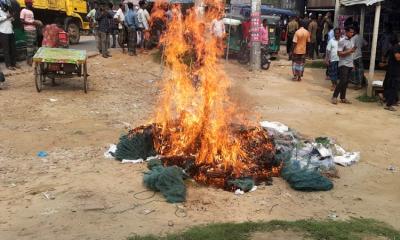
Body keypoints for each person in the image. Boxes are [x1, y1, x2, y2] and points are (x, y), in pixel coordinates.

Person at [331, 26, 356, 105]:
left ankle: (343, 97)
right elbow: (339, 53)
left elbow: (352, 53)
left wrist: (353, 64)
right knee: (343, 80)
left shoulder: (352, 40)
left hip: (350, 64)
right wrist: (349, 51)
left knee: (346, 82)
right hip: (343, 63)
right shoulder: (342, 41)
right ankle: (334, 96)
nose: (352, 34)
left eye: (353, 32)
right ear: (346, 32)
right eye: (350, 32)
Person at [382, 36, 400, 111]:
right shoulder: (396, 47)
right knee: (393, 87)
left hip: (396, 70)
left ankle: (392, 101)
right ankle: (388, 104)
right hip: (394, 71)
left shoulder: (396, 47)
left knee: (394, 87)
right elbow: (397, 57)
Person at [0, 1, 18, 70]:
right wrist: (6, 16)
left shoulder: (7, 11)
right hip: (3, 32)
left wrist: (12, 17)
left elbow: (9, 20)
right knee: (6, 50)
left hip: (11, 31)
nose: (7, 8)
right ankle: (8, 65)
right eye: (6, 7)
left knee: (13, 49)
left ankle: (14, 63)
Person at [20, 0, 39, 66]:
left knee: (34, 45)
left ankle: (34, 60)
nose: (32, 4)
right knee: (29, 46)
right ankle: (29, 61)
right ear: (27, 3)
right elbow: (22, 21)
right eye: (31, 3)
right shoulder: (23, 11)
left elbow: (31, 20)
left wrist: (35, 23)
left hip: (33, 29)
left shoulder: (31, 11)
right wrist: (31, 23)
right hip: (28, 30)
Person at [350, 24, 367, 89]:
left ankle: (357, 83)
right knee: (360, 70)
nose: (351, 33)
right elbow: (366, 44)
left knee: (354, 71)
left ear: (354, 31)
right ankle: (359, 83)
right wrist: (361, 48)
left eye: (352, 31)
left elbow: (352, 49)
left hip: (353, 57)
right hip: (359, 55)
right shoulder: (360, 37)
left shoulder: (353, 38)